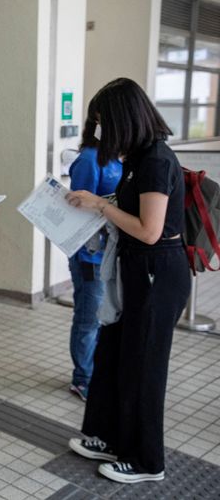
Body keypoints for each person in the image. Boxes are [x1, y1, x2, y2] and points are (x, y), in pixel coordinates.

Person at [65, 78, 190, 484]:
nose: (99, 131)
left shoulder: (156, 159)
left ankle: (146, 460)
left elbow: (150, 229)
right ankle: (110, 436)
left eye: (103, 122)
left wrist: (101, 204)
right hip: (136, 271)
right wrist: (97, 206)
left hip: (158, 274)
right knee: (114, 355)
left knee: (143, 367)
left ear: (122, 119)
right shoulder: (137, 157)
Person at [66, 106, 122, 402]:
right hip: (90, 254)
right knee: (88, 316)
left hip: (109, 252)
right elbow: (79, 208)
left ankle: (95, 372)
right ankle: (82, 378)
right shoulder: (89, 160)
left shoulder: (116, 159)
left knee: (103, 316)